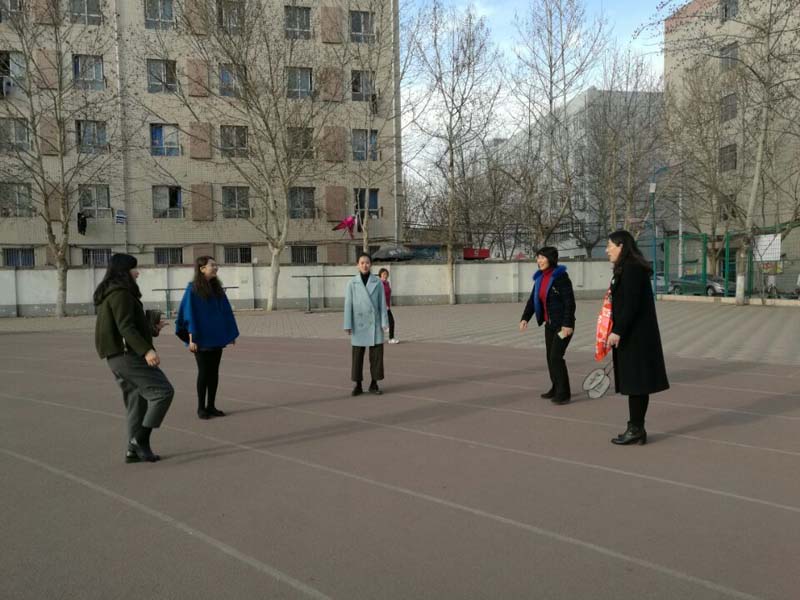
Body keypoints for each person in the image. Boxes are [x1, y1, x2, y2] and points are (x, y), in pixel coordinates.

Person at [94, 253, 173, 463]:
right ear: (124, 271)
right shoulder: (120, 293)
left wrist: (152, 329)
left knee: (136, 402)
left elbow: (126, 325)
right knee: (163, 392)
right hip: (127, 355)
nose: (137, 273)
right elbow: (125, 327)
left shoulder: (113, 292)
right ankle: (140, 440)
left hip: (117, 356)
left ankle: (132, 450)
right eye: (134, 269)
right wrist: (147, 350)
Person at [605, 230, 670, 445]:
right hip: (634, 334)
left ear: (621, 246)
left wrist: (618, 331)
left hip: (637, 336)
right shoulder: (627, 267)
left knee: (637, 383)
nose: (607, 250)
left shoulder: (632, 269)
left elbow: (631, 305)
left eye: (610, 246)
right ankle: (636, 428)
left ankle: (636, 429)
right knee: (636, 383)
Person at [176, 256, 239, 420]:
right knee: (204, 372)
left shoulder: (217, 289)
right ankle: (201, 408)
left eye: (216, 265)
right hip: (200, 338)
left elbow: (225, 312)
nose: (216, 267)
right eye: (212, 265)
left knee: (214, 372)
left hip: (216, 337)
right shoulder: (193, 289)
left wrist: (230, 333)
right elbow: (189, 314)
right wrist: (192, 338)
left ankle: (211, 406)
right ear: (202, 268)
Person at [519, 246, 576, 404]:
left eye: (542, 257)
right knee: (550, 358)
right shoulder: (540, 278)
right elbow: (533, 301)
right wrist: (525, 318)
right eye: (538, 257)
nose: (539, 261)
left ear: (551, 259)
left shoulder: (560, 277)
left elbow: (569, 302)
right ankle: (556, 387)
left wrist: (567, 324)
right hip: (549, 325)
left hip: (562, 325)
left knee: (556, 357)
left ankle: (564, 393)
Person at [344, 252, 389, 396]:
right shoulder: (352, 283)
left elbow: (382, 304)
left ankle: (374, 384)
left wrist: (384, 322)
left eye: (367, 263)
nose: (365, 265)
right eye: (362, 263)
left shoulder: (378, 282)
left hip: (375, 323)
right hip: (358, 323)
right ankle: (357, 384)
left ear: (371, 265)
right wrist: (347, 324)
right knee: (357, 356)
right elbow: (348, 305)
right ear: (357, 265)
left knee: (376, 356)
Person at [378, 268, 399, 344]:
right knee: (391, 321)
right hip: (381, 307)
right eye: (384, 274)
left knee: (387, 322)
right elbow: (379, 296)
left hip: (387, 306)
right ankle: (391, 338)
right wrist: (385, 305)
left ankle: (389, 338)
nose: (385, 276)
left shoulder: (387, 283)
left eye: (386, 274)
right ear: (380, 275)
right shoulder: (379, 284)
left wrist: (388, 305)